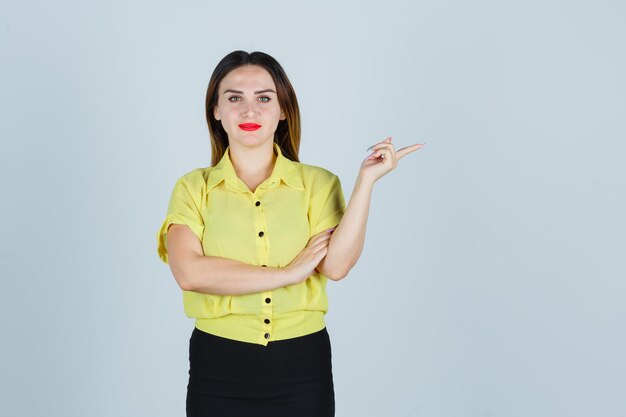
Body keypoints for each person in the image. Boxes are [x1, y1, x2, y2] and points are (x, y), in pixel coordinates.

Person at [156, 50, 424, 417]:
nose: (249, 112)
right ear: (216, 110)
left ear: (283, 108)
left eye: (264, 98)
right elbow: (189, 273)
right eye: (234, 98)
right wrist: (286, 274)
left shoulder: (319, 184)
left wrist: (366, 181)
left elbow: (336, 266)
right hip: (217, 366)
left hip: (303, 366)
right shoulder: (192, 188)